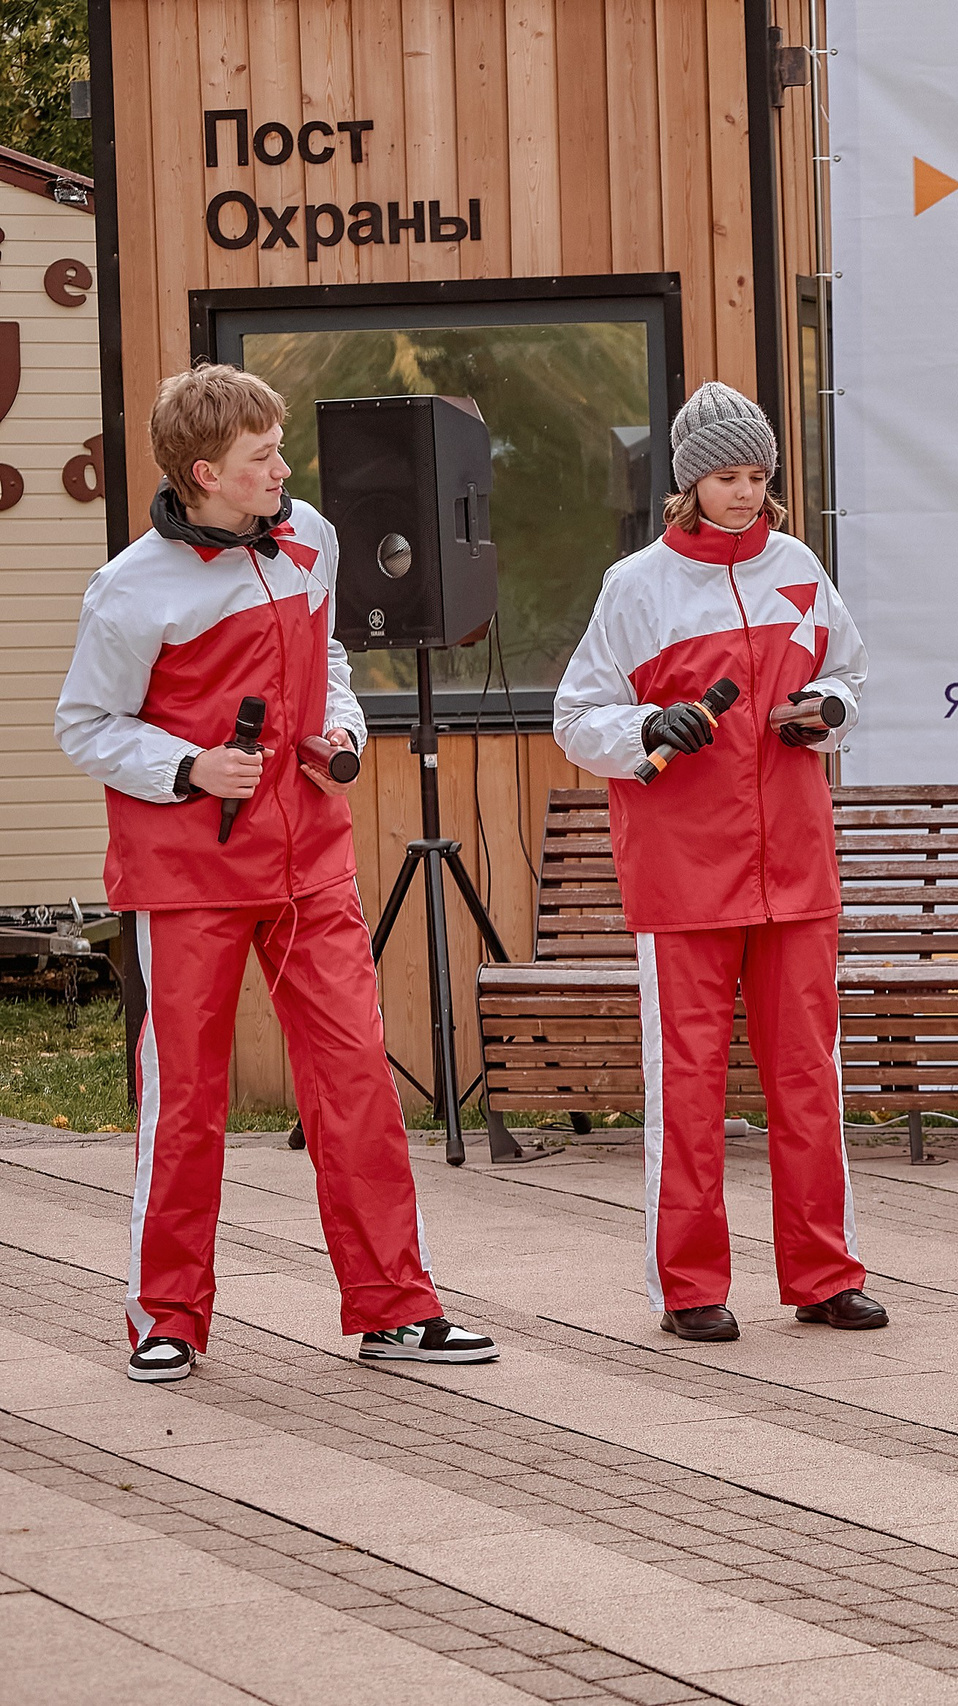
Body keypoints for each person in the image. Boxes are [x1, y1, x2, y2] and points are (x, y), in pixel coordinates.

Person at [55, 364, 500, 1383]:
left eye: (280, 449)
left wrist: (340, 724)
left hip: (311, 865)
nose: (285, 470)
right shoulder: (132, 588)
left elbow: (330, 661)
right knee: (186, 1101)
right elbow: (83, 726)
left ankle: (396, 1306)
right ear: (204, 472)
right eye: (263, 458)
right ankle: (166, 1315)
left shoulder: (309, 536)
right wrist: (186, 766)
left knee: (355, 1085)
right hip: (186, 877)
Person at [554, 381, 879, 1343]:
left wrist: (827, 711)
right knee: (688, 1083)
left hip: (798, 874)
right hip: (684, 875)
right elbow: (577, 719)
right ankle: (690, 1285)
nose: (746, 493)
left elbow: (851, 677)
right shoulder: (636, 586)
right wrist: (648, 725)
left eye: (759, 476)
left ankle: (825, 1275)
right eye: (727, 476)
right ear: (688, 485)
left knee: (808, 1077)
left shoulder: (800, 568)